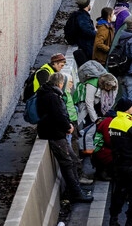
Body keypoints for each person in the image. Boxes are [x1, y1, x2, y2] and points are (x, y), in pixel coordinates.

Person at [36, 72, 94, 204]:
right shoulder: (53, 96)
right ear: (60, 84)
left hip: (52, 132)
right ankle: (75, 193)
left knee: (72, 159)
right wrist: (68, 127)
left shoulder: (46, 92)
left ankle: (76, 189)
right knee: (67, 162)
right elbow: (59, 115)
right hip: (54, 133)